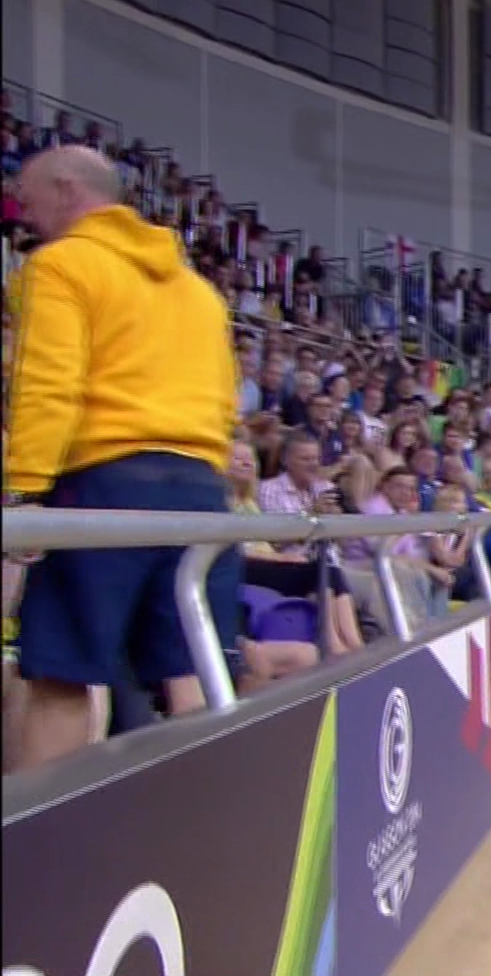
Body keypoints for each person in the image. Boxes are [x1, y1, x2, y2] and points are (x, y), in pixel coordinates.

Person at [3, 145, 242, 770]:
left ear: (66, 189)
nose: (21, 215)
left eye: (26, 200)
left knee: (61, 675)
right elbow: (225, 401)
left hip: (103, 485)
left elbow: (48, 382)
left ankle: (42, 823)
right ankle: (204, 812)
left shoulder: (60, 266)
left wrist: (25, 489)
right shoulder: (200, 293)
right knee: (190, 671)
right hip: (200, 491)